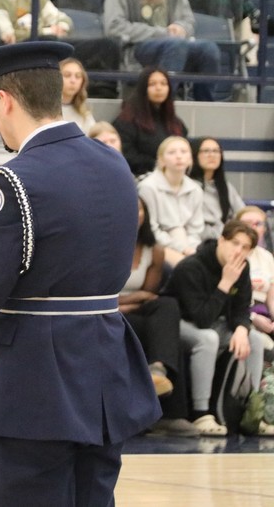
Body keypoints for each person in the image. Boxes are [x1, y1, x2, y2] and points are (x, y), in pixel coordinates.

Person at [0, 41, 160, 505]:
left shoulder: (11, 178)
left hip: (36, 384)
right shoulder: (113, 163)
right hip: (104, 374)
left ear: (3, 100)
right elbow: (56, 236)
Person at [168, 219, 266, 435]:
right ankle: (201, 413)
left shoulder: (243, 267)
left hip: (213, 323)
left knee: (255, 339)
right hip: (177, 325)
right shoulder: (191, 266)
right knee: (208, 338)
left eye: (245, 247)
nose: (238, 251)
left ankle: (253, 412)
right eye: (234, 243)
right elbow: (201, 318)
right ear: (222, 240)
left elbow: (242, 307)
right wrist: (225, 283)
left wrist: (242, 329)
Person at [122, 197, 199, 436]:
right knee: (163, 333)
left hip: (135, 311)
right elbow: (104, 294)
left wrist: (133, 301)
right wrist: (130, 301)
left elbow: (151, 295)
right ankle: (170, 414)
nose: (137, 213)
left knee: (167, 307)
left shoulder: (154, 250)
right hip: (107, 311)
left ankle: (158, 370)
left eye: (140, 208)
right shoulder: (104, 244)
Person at [137, 135, 204, 266]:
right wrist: (181, 248)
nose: (179, 156)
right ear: (161, 160)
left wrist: (190, 248)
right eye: (172, 152)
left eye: (184, 152)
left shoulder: (196, 189)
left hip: (187, 245)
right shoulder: (148, 187)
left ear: (190, 159)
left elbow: (195, 229)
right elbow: (151, 229)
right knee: (187, 268)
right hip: (156, 244)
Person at [113, 67, 188, 177]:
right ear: (143, 89)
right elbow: (126, 155)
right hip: (139, 178)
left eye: (163, 84)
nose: (159, 88)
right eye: (152, 84)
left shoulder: (176, 123)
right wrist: (157, 164)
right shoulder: (126, 121)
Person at [190, 137, 245, 241]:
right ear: (194, 155)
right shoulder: (189, 186)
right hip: (201, 241)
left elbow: (242, 213)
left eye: (216, 151)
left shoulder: (225, 186)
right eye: (206, 151)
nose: (212, 155)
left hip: (229, 239)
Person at [235, 206, 274, 342]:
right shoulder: (232, 254)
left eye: (258, 224)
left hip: (263, 311)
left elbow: (272, 299)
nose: (252, 228)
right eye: (247, 223)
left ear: (264, 229)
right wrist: (253, 317)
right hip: (240, 313)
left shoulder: (267, 257)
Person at [60, 58, 97, 133]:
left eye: (78, 76)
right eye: (67, 75)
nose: (73, 80)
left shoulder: (85, 114)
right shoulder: (45, 111)